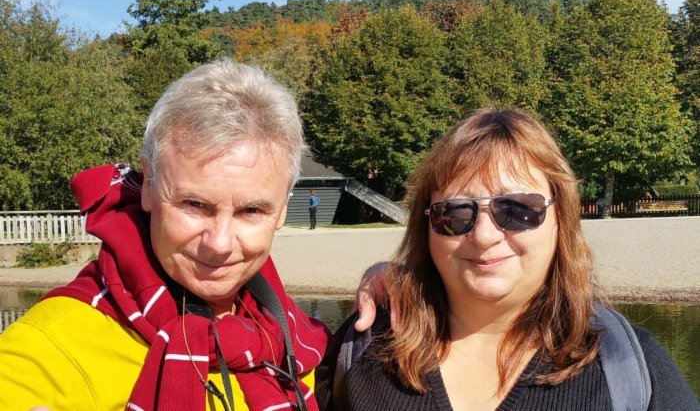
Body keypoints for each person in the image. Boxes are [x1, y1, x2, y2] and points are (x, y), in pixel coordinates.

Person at [0, 60, 332, 411]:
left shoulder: (295, 336)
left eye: (251, 211)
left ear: (282, 209)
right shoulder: (52, 351)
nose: (219, 244)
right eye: (195, 204)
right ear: (148, 185)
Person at [316, 109, 698, 410]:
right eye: (455, 213)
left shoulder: (629, 368)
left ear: (561, 219)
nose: (484, 236)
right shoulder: (365, 349)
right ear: (426, 225)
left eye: (517, 209)